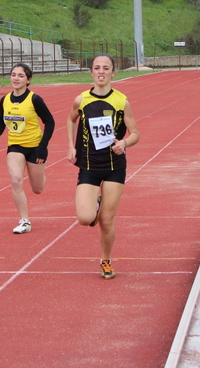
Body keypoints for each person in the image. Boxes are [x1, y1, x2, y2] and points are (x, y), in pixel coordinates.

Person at [66, 54, 139, 280]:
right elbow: (70, 120)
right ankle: (96, 204)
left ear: (113, 73)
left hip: (114, 166)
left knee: (107, 221)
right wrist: (71, 147)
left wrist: (124, 143)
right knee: (84, 219)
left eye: (105, 68)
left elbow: (135, 133)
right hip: (88, 165)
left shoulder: (121, 101)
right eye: (97, 68)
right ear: (91, 72)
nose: (101, 72)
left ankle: (105, 261)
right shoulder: (81, 100)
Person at [0, 63, 55, 234]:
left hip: (35, 146)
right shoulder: (4, 100)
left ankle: (40, 172)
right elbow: (0, 121)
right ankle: (24, 220)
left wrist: (43, 147)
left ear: (28, 80)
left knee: (37, 189)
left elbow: (50, 122)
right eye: (13, 75)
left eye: (20, 76)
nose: (16, 78)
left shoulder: (35, 99)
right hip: (15, 146)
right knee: (15, 180)